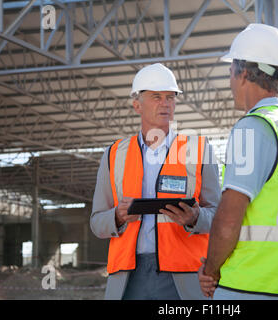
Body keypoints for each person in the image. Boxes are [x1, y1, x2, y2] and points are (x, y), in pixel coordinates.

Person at [198, 23, 278, 300]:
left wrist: (211, 269)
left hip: (248, 285)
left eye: (230, 72)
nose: (230, 82)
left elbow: (228, 220)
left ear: (241, 73)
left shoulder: (252, 128)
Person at [91, 63, 220, 300]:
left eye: (171, 97)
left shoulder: (199, 151)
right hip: (129, 279)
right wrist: (117, 217)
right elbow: (97, 221)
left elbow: (219, 217)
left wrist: (195, 218)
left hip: (184, 278)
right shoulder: (114, 155)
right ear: (137, 105)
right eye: (157, 97)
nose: (165, 103)